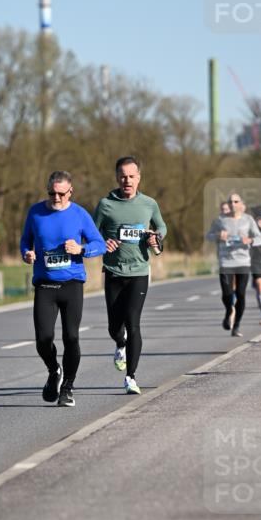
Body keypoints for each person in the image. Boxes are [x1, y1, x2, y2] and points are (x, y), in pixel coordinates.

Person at [21, 170, 106, 407]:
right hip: (45, 285)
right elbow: (25, 240)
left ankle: (67, 387)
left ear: (70, 192)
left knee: (71, 337)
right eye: (51, 193)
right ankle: (53, 370)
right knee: (43, 339)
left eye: (61, 193)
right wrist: (26, 254)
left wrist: (81, 250)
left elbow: (99, 244)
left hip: (71, 284)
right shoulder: (36, 212)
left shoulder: (79, 214)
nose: (56, 198)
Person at [93, 156, 167, 394]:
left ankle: (131, 377)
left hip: (139, 271)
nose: (127, 180)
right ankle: (119, 342)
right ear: (117, 178)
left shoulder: (149, 204)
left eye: (131, 176)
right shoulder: (105, 204)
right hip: (114, 271)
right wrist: (104, 242)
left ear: (138, 178)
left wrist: (157, 236)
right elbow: (92, 233)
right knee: (115, 326)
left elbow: (162, 226)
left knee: (133, 322)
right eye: (123, 176)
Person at [206, 192, 261, 337]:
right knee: (227, 294)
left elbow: (260, 238)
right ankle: (229, 310)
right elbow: (209, 236)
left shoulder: (248, 220)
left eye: (236, 201)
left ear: (241, 204)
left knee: (241, 294)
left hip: (243, 261)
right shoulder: (220, 220)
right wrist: (218, 236)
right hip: (226, 261)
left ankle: (236, 325)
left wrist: (249, 240)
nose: (233, 204)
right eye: (230, 202)